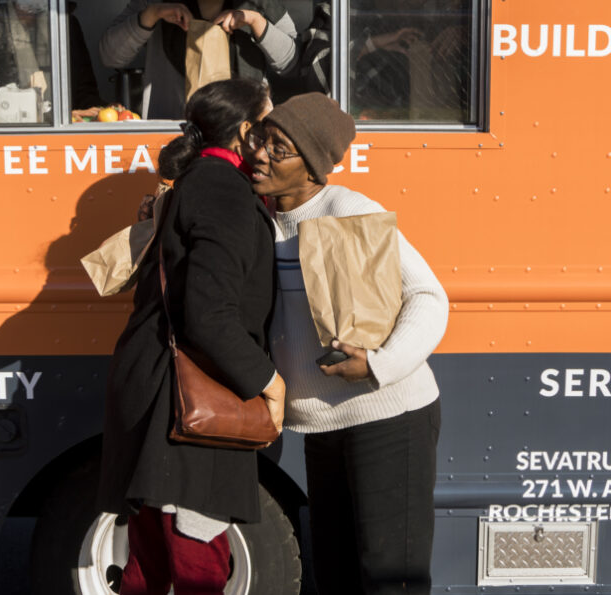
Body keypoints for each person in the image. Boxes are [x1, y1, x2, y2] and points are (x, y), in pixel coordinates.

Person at [247, 92, 449, 594]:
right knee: (336, 573)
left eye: (279, 148)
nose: (260, 154)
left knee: (387, 578)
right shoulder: (260, 220)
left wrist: (380, 365)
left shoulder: (347, 209)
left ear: (313, 167)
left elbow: (428, 295)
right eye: (260, 139)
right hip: (324, 426)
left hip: (387, 415)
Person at [95, 79, 285, 594]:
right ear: (246, 131)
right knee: (196, 564)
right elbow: (209, 315)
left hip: (158, 392)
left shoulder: (197, 182)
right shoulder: (222, 188)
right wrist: (269, 382)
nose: (273, 142)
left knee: (150, 569)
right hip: (184, 406)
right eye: (267, 128)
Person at [99, 0, 297, 119]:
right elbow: (110, 56)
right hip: (174, 132)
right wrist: (152, 15)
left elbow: (292, 63)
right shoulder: (153, 2)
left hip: (246, 136)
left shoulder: (260, 3)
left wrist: (256, 21)